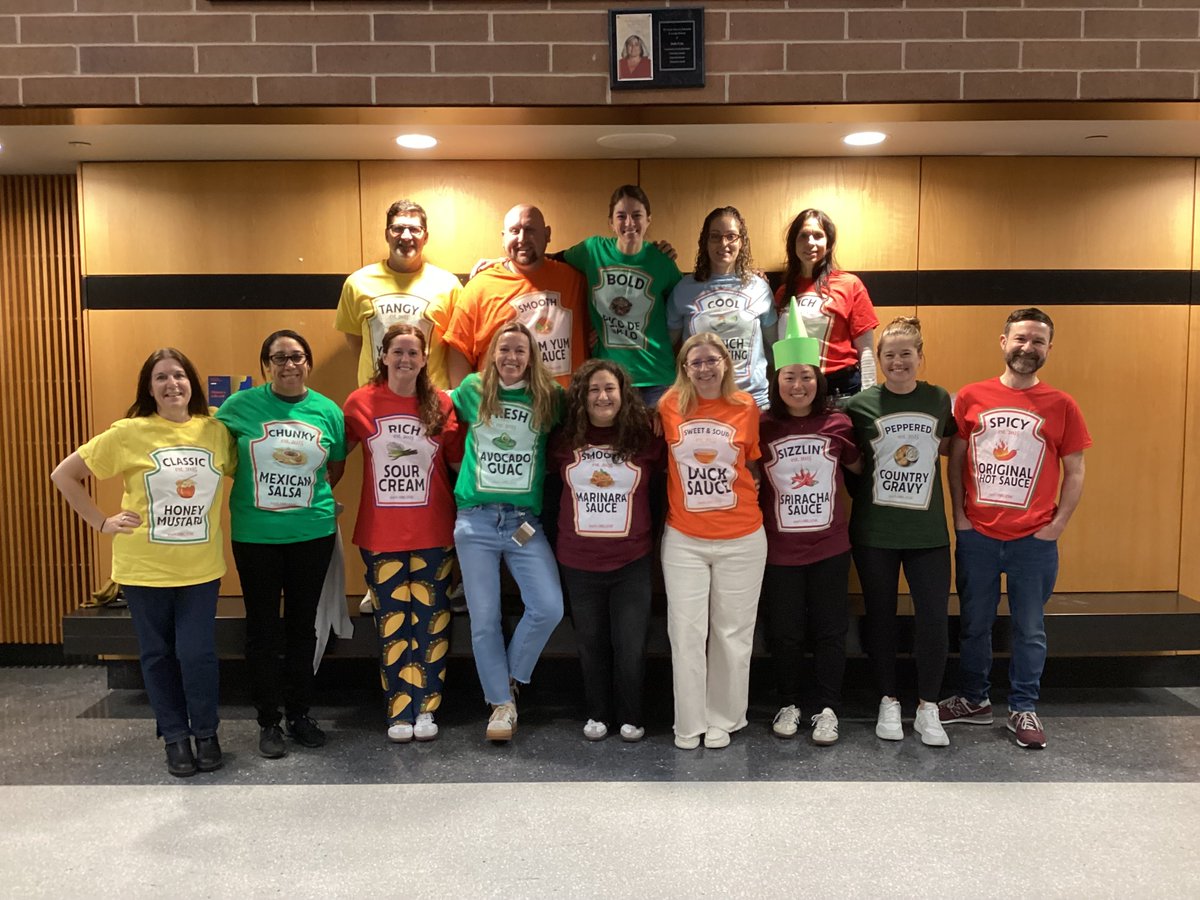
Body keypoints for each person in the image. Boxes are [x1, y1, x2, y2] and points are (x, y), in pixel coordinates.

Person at [51, 349, 234, 777]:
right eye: (161, 378)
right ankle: (175, 738)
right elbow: (64, 474)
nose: (172, 384)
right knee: (156, 655)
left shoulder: (215, 433)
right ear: (148, 388)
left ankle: (206, 732)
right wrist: (100, 521)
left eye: (179, 376)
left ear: (192, 383)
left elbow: (248, 477)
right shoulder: (129, 433)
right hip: (143, 568)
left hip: (201, 569)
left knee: (197, 654)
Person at [939, 308, 1090, 750]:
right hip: (979, 535)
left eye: (1038, 342)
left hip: (1033, 540)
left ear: (1048, 349)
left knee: (1030, 628)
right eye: (1021, 339)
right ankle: (974, 699)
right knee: (974, 624)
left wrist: (1057, 525)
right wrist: (960, 517)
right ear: (1003, 341)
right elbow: (957, 460)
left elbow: (1076, 471)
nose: (1028, 348)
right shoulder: (970, 396)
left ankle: (1024, 706)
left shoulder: (1062, 405)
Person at [215, 330, 345, 759]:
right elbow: (218, 457)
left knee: (303, 627)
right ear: (265, 365)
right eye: (279, 358)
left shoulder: (327, 410)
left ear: (308, 362)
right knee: (263, 629)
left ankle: (300, 714)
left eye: (296, 356)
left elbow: (336, 466)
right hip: (256, 537)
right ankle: (268, 721)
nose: (289, 365)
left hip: (312, 533)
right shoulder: (238, 407)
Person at [343, 323, 464, 743]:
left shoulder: (441, 404)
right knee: (393, 625)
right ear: (383, 355)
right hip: (382, 535)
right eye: (398, 352)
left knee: (432, 624)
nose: (406, 359)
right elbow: (333, 452)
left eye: (414, 352)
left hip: (434, 531)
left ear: (424, 358)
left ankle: (428, 710)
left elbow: (455, 465)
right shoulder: (360, 402)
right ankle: (398, 710)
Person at [452, 321, 565, 742]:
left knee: (548, 606)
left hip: (522, 523)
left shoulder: (549, 398)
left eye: (520, 350)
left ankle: (511, 678)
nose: (512, 358)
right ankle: (500, 705)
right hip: (476, 521)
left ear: (531, 356)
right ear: (492, 354)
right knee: (484, 620)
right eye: (505, 350)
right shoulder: (471, 389)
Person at [844, 317, 954, 747]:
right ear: (879, 359)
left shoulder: (939, 400)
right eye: (889, 354)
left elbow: (949, 449)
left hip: (928, 533)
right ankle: (887, 700)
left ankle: (929, 707)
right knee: (882, 619)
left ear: (920, 357)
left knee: (932, 620)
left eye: (906, 353)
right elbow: (849, 463)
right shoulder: (860, 405)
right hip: (875, 532)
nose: (898, 361)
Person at [757, 305, 862, 746]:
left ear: (818, 381)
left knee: (829, 630)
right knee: (784, 632)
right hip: (779, 550)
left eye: (805, 377)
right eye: (789, 377)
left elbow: (858, 469)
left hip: (829, 547)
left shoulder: (838, 422)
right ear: (777, 383)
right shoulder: (762, 426)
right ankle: (789, 702)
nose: (798, 385)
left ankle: (828, 708)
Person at [658, 333, 767, 750]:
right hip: (684, 538)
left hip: (742, 536)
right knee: (685, 632)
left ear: (726, 362)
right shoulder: (669, 406)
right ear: (685, 368)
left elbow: (750, 461)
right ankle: (688, 722)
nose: (703, 368)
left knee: (732, 634)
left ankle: (724, 718)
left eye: (711, 360)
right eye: (695, 362)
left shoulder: (746, 406)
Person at [550, 359, 664, 742]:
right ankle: (597, 713)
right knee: (591, 643)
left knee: (631, 644)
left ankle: (631, 715)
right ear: (581, 397)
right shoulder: (563, 441)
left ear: (623, 394)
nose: (602, 397)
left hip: (631, 560)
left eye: (609, 389)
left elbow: (661, 494)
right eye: (594, 390)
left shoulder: (645, 439)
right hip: (578, 561)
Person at [563, 185, 682, 408]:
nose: (629, 223)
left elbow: (687, 300)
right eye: (621, 216)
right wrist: (502, 262)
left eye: (637, 215)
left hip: (657, 377)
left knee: (656, 443)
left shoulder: (662, 260)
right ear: (611, 222)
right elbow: (548, 260)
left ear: (648, 220)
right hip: (610, 379)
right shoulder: (592, 251)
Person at [444, 204, 586, 389]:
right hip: (501, 413)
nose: (522, 239)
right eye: (514, 231)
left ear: (547, 234)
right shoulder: (480, 287)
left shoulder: (574, 279)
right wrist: (467, 404)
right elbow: (458, 349)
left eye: (530, 230)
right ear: (503, 238)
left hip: (564, 410)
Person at [336, 199, 462, 389]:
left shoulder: (448, 285)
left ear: (425, 237)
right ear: (387, 235)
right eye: (397, 229)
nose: (405, 236)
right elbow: (356, 342)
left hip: (430, 399)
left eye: (414, 229)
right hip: (374, 399)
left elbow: (456, 349)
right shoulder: (357, 283)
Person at [668, 206, 776, 408]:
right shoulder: (684, 289)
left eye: (731, 236)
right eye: (715, 236)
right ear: (705, 242)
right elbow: (666, 349)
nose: (723, 243)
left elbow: (775, 348)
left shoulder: (758, 287)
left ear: (741, 241)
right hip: (701, 402)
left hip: (752, 402)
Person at [776, 208, 878, 399]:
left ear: (829, 244)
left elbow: (866, 351)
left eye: (818, 236)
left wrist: (869, 397)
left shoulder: (850, 284)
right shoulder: (783, 292)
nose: (810, 243)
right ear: (793, 243)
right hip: (798, 391)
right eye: (803, 236)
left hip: (841, 391)